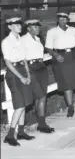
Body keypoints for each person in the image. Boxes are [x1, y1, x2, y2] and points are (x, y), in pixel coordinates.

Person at [45, 12, 75, 118]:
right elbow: (48, 47)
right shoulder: (52, 32)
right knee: (67, 85)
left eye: (65, 18)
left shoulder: (74, 30)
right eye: (61, 18)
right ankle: (70, 108)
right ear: (57, 20)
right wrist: (56, 54)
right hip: (61, 58)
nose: (63, 20)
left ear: (68, 20)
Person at [2, 17, 35, 146]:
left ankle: (20, 132)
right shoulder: (6, 42)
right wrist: (20, 76)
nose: (19, 26)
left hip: (22, 69)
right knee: (19, 104)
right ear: (9, 27)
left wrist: (28, 74)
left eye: (19, 24)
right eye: (16, 24)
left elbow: (24, 59)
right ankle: (9, 135)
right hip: (13, 73)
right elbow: (8, 63)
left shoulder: (21, 39)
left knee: (26, 102)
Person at [21, 19, 55, 133]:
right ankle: (42, 124)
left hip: (41, 67)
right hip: (31, 69)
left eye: (38, 27)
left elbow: (38, 54)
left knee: (41, 95)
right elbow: (22, 57)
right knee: (41, 96)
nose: (37, 29)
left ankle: (39, 121)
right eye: (34, 27)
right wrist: (27, 72)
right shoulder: (23, 40)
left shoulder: (38, 39)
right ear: (28, 28)